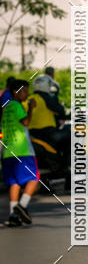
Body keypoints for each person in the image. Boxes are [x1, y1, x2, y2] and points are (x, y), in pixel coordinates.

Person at [1, 78, 39, 226]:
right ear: (16, 92)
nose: (26, 94)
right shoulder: (17, 105)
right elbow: (26, 122)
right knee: (35, 177)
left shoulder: (6, 106)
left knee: (15, 183)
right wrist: (30, 109)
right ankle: (22, 206)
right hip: (22, 150)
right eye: (24, 91)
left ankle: (13, 215)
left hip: (8, 150)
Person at [28, 74, 69, 158]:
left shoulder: (29, 98)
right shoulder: (46, 98)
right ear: (45, 86)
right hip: (47, 132)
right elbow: (60, 111)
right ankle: (67, 163)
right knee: (70, 133)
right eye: (50, 85)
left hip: (31, 132)